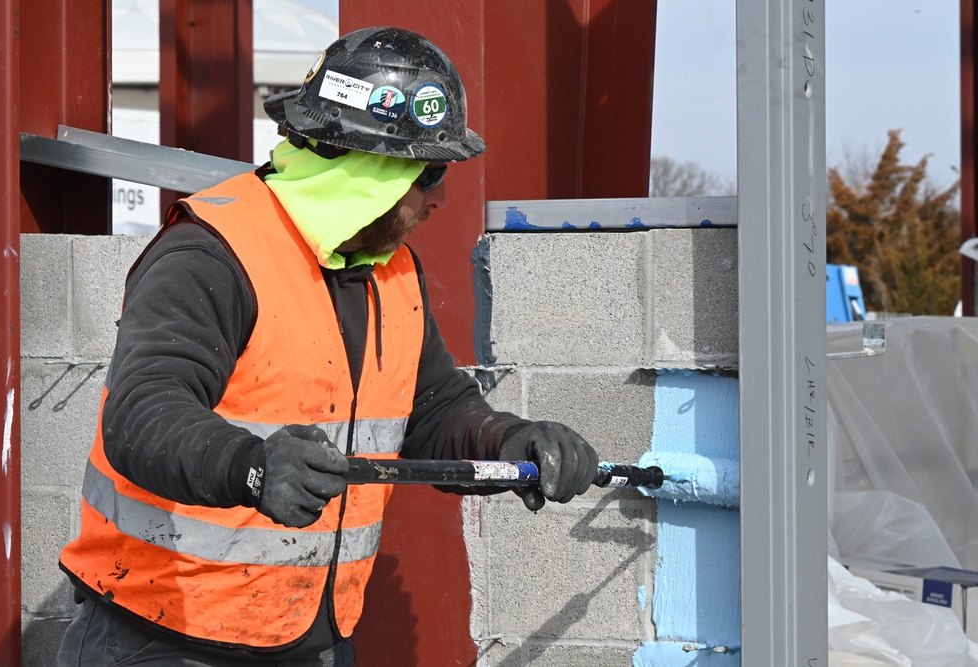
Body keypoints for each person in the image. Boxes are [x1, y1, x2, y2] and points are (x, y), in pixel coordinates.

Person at [57, 25, 598, 666]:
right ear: (369, 172)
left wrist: (510, 442)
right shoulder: (213, 251)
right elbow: (143, 411)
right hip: (164, 638)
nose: (441, 199)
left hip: (307, 638)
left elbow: (430, 408)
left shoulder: (390, 269)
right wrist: (251, 465)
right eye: (428, 174)